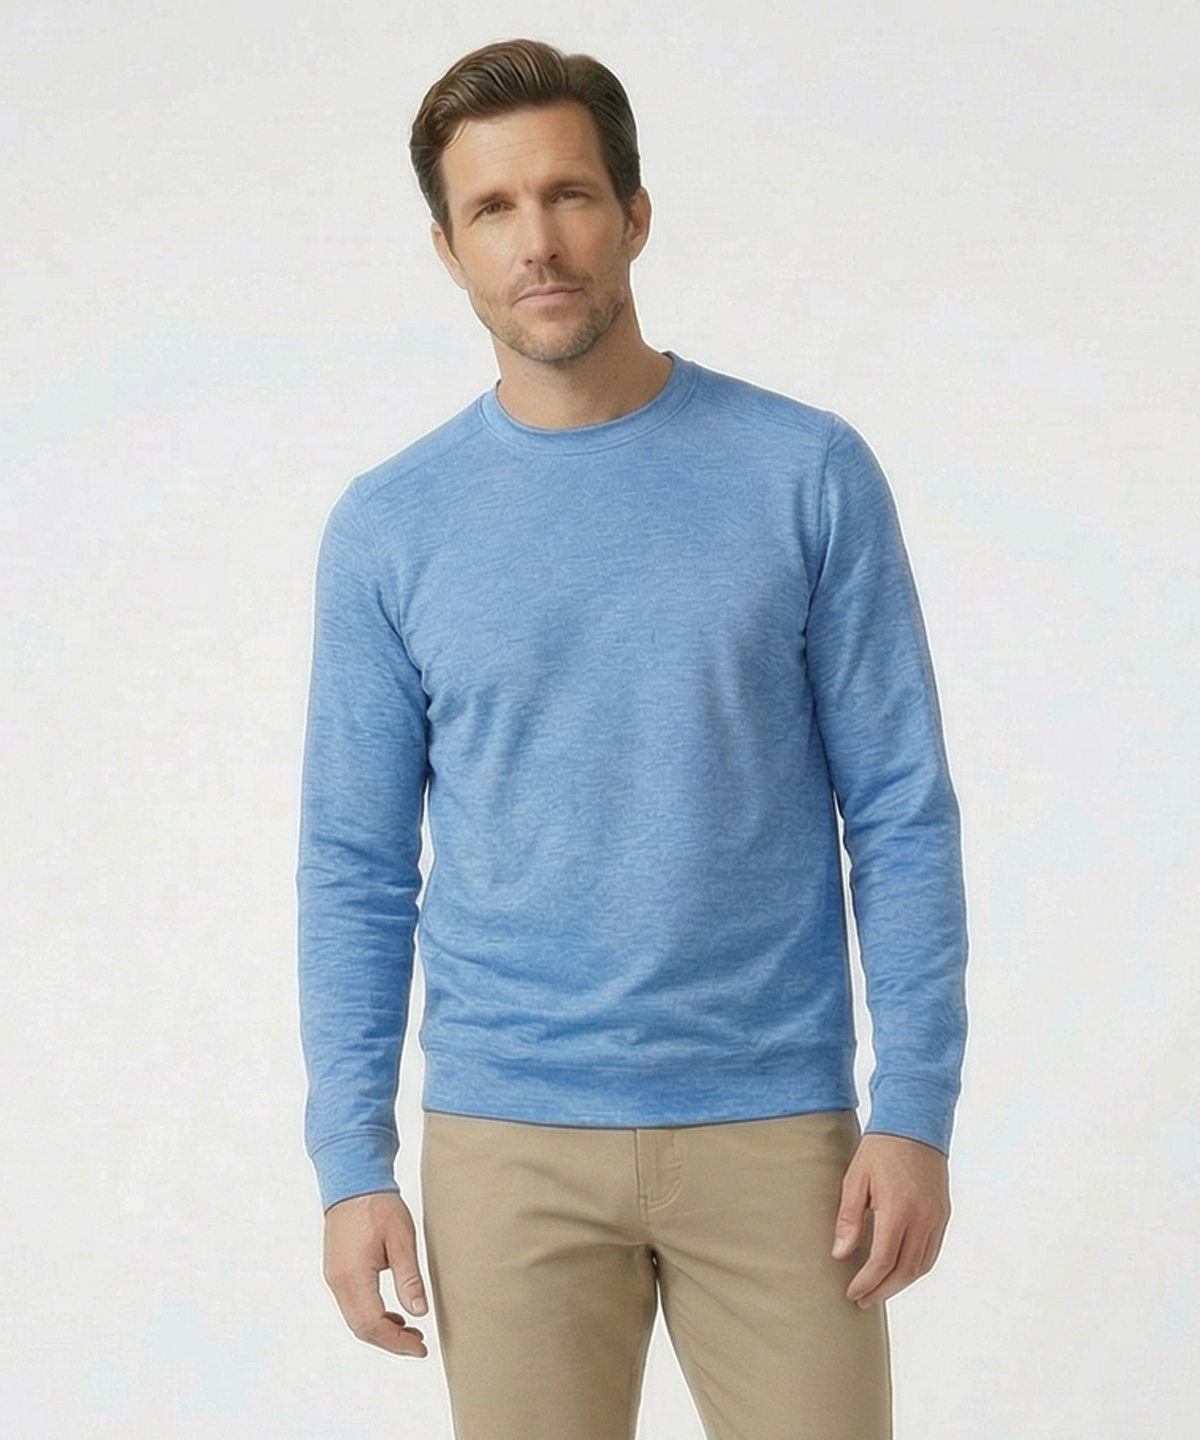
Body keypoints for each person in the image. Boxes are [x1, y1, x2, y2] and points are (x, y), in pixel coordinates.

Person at [298, 37, 967, 1440]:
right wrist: (352, 1162)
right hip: (509, 1142)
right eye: (493, 209)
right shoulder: (391, 527)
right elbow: (356, 863)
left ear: (635, 214)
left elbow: (900, 807)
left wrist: (913, 1109)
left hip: (777, 1130)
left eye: (569, 195)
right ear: (448, 250)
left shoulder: (806, 472)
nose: (537, 242)